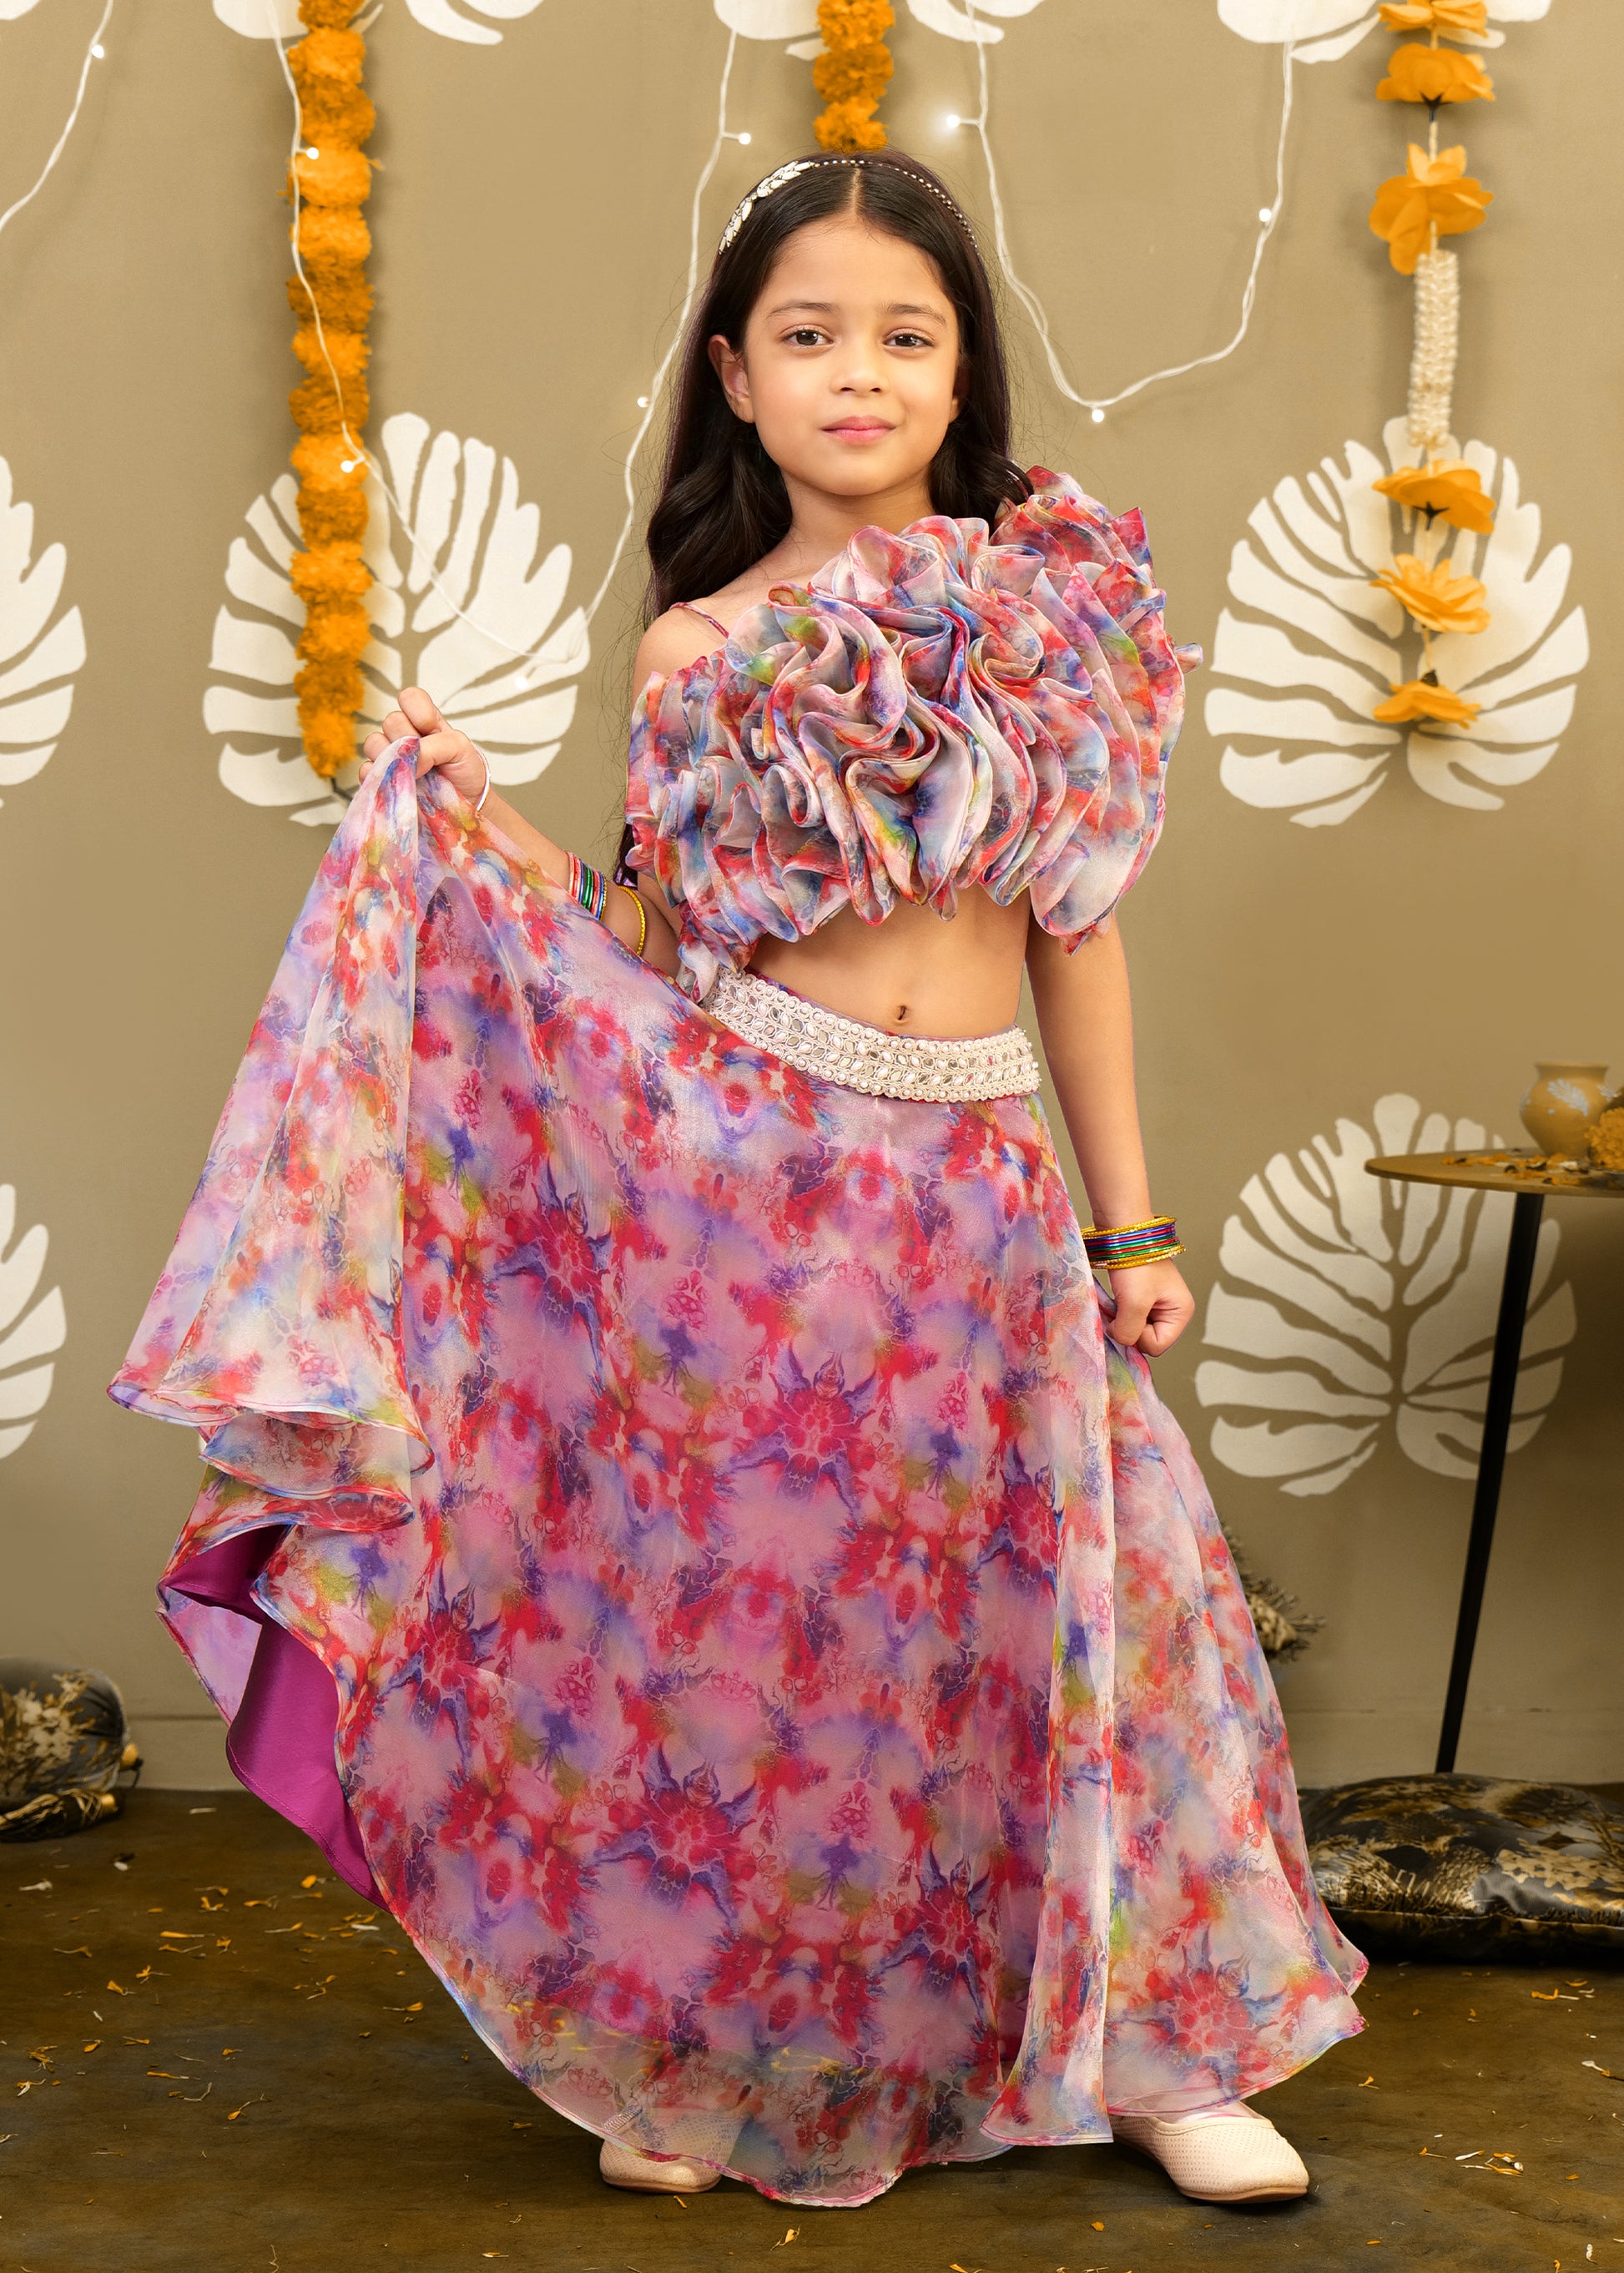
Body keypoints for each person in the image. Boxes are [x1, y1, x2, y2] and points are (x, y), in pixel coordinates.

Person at [113, 149, 1364, 2215]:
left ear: (959, 377)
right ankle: (704, 2050)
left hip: (976, 1187)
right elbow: (649, 948)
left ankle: (1151, 2052)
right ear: (737, 376)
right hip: (749, 1206)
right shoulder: (698, 645)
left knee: (1070, 1613)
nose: (854, 374)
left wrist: (1129, 1221)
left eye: (903, 336)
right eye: (807, 338)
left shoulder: (1047, 609)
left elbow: (1079, 932)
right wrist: (476, 836)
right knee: (758, 1643)